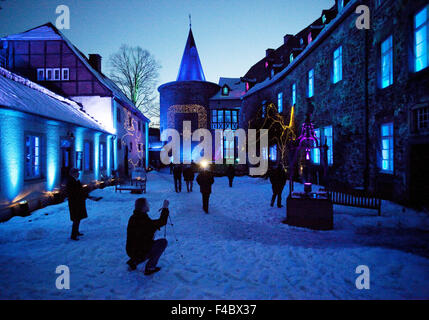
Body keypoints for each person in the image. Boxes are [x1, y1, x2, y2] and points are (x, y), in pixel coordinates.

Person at [126, 198, 169, 275]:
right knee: (163, 242)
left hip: (131, 251)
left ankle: (135, 261)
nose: (149, 205)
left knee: (146, 244)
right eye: (147, 204)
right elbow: (162, 222)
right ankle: (150, 267)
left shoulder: (134, 217)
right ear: (143, 207)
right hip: (138, 251)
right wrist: (165, 208)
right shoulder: (143, 220)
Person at [66, 168, 88, 241]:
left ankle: (76, 232)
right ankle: (73, 235)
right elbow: (73, 192)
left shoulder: (75, 181)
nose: (78, 174)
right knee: (76, 218)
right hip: (75, 203)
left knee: (78, 218)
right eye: (77, 173)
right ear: (73, 174)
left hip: (78, 202)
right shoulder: (71, 182)